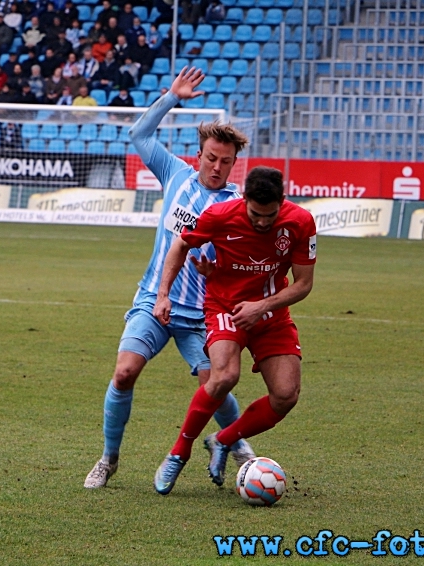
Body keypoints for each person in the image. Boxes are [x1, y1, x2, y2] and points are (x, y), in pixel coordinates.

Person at [83, 67, 251, 489]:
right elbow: (139, 135)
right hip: (153, 301)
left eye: (225, 162)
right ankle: (108, 458)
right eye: (211, 159)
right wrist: (171, 96)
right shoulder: (175, 173)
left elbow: (242, 259)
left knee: (213, 383)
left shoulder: (237, 203)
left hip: (202, 314)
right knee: (124, 372)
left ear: (234, 164)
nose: (216, 167)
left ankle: (238, 446)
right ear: (199, 155)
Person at [152, 163, 316, 495]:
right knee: (224, 376)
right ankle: (178, 453)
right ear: (244, 201)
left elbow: (304, 284)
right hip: (226, 306)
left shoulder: (300, 222)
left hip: (270, 314)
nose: (262, 222)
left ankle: (223, 440)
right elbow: (181, 244)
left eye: (269, 216)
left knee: (286, 396)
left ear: (282, 202)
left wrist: (263, 306)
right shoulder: (219, 216)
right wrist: (163, 294)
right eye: (256, 214)